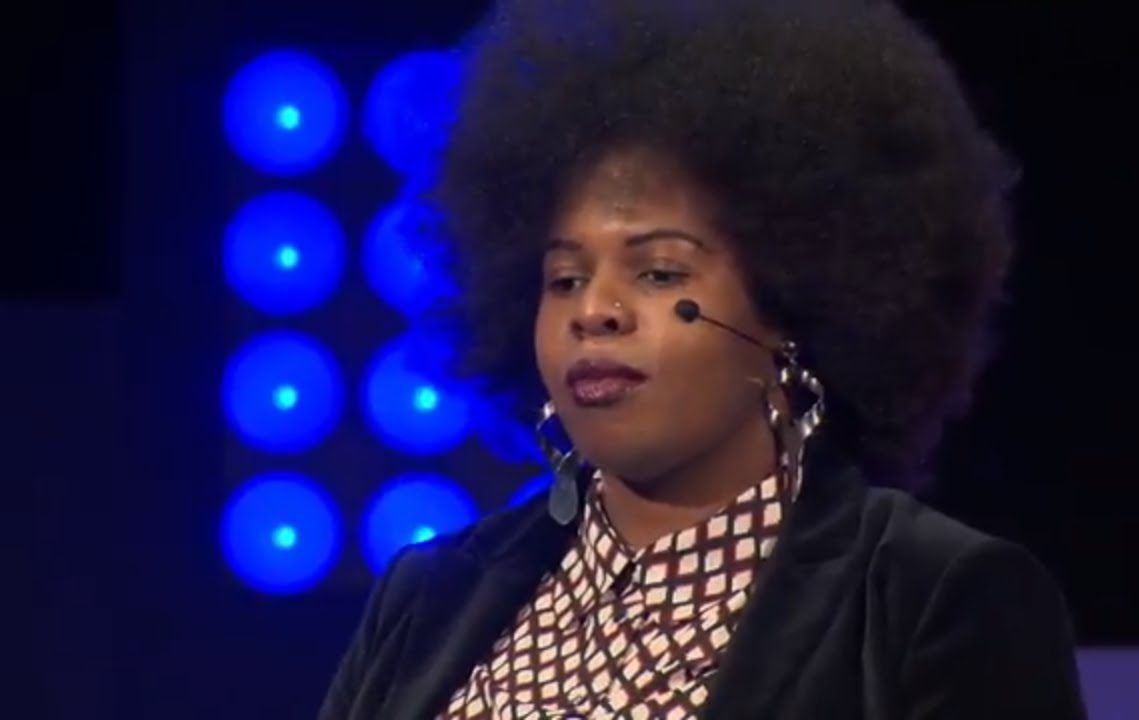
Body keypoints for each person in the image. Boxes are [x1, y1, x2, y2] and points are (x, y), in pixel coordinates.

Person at [320, 0, 1087, 717]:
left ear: (792, 303)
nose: (595, 311)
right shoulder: (430, 598)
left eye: (659, 273)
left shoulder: (933, 599)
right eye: (565, 279)